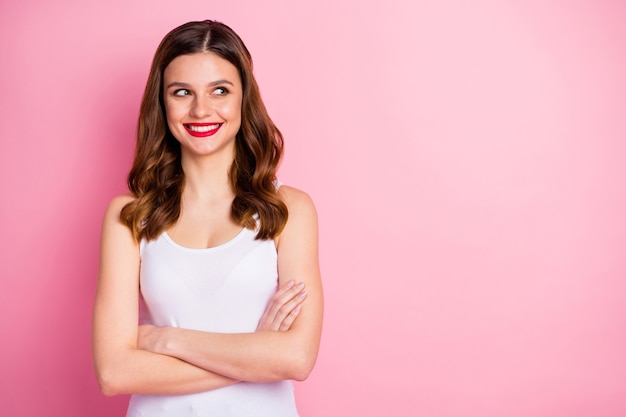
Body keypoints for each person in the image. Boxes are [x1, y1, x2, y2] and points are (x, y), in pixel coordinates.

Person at [92, 20, 323, 417]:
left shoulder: (290, 210)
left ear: (242, 99)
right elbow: (114, 372)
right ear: (162, 103)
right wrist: (255, 355)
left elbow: (297, 358)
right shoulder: (128, 217)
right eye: (182, 92)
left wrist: (166, 341)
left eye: (220, 90)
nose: (201, 110)